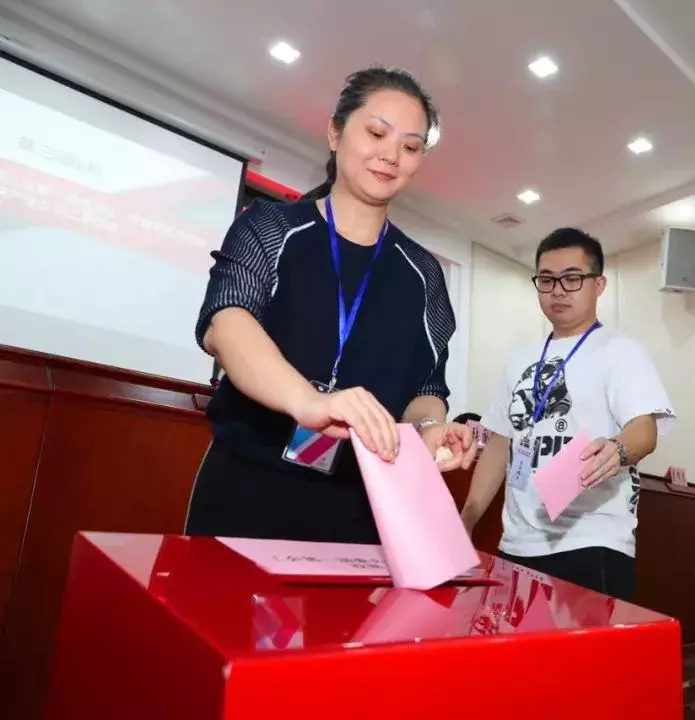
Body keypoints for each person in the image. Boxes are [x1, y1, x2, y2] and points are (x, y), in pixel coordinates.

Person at [185, 67, 476, 543]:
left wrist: (431, 428)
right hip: (248, 485)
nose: (391, 155)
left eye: (411, 146)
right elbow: (228, 323)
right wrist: (310, 402)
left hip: (361, 503)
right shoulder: (270, 227)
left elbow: (425, 387)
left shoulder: (424, 274)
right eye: (377, 133)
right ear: (336, 132)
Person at [460, 228, 675, 601]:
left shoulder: (620, 350)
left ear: (599, 284)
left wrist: (618, 449)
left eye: (572, 278)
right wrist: (465, 522)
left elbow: (644, 428)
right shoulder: (519, 359)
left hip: (592, 540)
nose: (558, 290)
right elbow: (499, 445)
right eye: (546, 280)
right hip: (517, 542)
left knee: (586, 661)